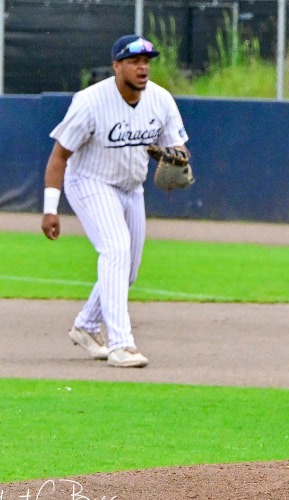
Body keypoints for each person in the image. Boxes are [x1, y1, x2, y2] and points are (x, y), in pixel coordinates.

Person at [40, 34, 190, 368]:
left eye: (147, 61)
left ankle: (86, 326)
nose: (142, 67)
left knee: (129, 271)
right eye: (135, 61)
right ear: (116, 65)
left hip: (131, 188)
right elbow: (59, 156)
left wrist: (175, 157)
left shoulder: (161, 100)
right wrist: (51, 209)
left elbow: (180, 148)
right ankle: (122, 344)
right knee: (116, 250)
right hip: (90, 182)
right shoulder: (90, 102)